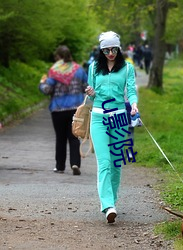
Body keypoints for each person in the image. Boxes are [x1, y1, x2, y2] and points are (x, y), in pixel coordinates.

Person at [85, 31, 138, 223]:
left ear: (119, 48)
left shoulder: (127, 68)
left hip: (119, 119)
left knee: (116, 164)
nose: (110, 53)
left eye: (114, 49)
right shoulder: (93, 68)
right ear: (101, 50)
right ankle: (107, 205)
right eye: (106, 50)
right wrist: (90, 92)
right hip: (98, 118)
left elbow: (131, 90)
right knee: (104, 162)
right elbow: (91, 97)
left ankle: (113, 201)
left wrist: (133, 104)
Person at [39, 45, 88, 175]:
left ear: (58, 57)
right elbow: (86, 87)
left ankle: (60, 166)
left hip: (58, 109)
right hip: (75, 109)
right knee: (74, 137)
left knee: (60, 138)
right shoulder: (79, 70)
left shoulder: (54, 71)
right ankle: (75, 163)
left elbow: (47, 90)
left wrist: (42, 83)